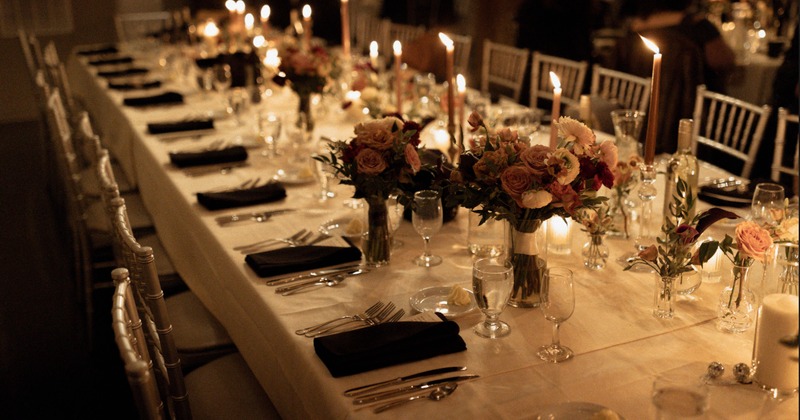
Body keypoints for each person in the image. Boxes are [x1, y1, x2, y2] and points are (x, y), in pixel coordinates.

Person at [614, 0, 736, 154]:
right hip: (693, 120)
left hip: (638, 117)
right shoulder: (699, 27)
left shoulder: (634, 28)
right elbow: (725, 61)